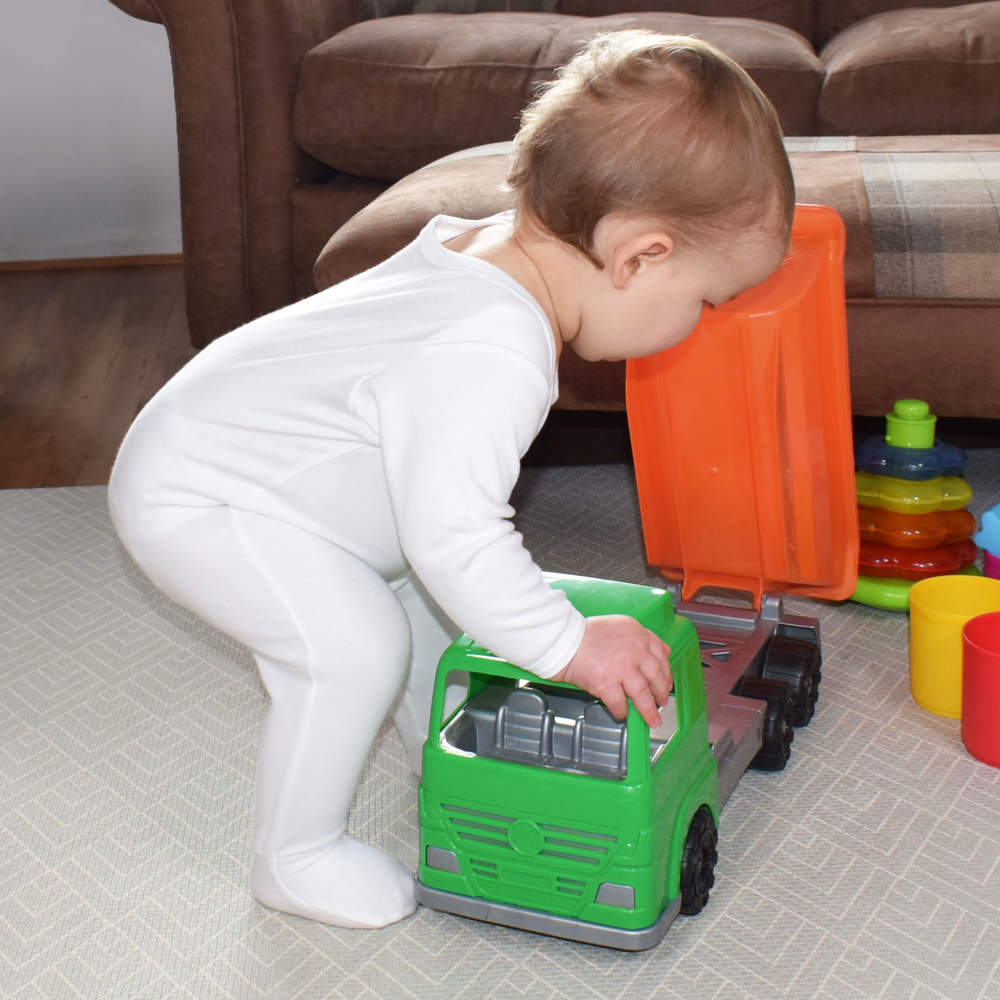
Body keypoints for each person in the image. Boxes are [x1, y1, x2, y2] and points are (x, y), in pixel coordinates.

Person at [108, 29, 794, 931]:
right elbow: (456, 535)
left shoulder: (486, 252)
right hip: (202, 497)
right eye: (706, 300)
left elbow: (435, 535)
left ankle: (453, 761)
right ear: (639, 256)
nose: (699, 324)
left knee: (424, 607)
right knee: (352, 646)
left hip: (256, 479)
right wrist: (568, 645)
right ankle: (295, 854)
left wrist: (512, 613)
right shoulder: (495, 351)